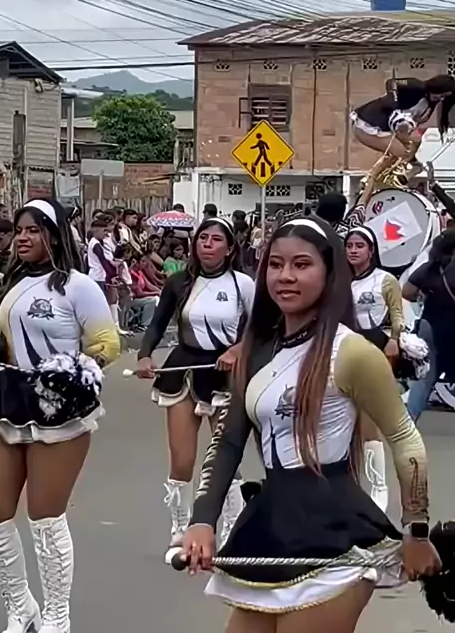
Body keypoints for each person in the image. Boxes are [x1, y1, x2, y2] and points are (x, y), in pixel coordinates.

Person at [180, 217, 439, 632]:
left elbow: (405, 439)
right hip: (269, 524)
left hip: (337, 536)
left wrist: (417, 531)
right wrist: (202, 519)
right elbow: (228, 441)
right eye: (275, 264)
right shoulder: (256, 352)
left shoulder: (352, 352)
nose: (285, 276)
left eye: (301, 264)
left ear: (329, 272)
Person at [0, 198, 120, 633]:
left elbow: (107, 344)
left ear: (54, 236)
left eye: (33, 230)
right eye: (19, 230)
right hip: (8, 403)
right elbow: (6, 343)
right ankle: (21, 608)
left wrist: (73, 371)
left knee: (44, 518)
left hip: (60, 409)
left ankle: (58, 618)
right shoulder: (12, 283)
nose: (23, 238)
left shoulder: (78, 286)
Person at [137, 218, 255, 560]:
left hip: (224, 374)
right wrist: (145, 355)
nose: (207, 244)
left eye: (216, 239)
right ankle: (180, 529)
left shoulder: (243, 284)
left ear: (229, 248)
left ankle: (230, 529)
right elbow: (157, 323)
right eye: (203, 238)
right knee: (182, 459)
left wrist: (238, 350)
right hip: (183, 370)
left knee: (223, 456)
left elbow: (263, 326)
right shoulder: (179, 282)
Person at [345, 226, 404, 512]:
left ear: (371, 250)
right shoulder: (340, 281)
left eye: (360, 245)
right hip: (345, 348)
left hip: (376, 346)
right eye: (349, 246)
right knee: (345, 420)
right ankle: (349, 486)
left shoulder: (385, 280)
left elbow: (397, 314)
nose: (353, 250)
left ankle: (378, 488)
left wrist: (394, 340)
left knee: (368, 420)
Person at [351, 75, 455, 177]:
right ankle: (372, 179)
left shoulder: (428, 106)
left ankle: (397, 173)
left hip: (391, 129)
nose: (441, 99)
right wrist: (393, 101)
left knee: (413, 144)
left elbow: (410, 127)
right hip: (369, 125)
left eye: (444, 97)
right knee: (401, 153)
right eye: (441, 95)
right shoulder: (417, 86)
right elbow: (392, 82)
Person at [402, 229, 455, 422]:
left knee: (425, 379)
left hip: (431, 326)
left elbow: (407, 292)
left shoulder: (429, 268)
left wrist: (425, 294)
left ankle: (409, 423)